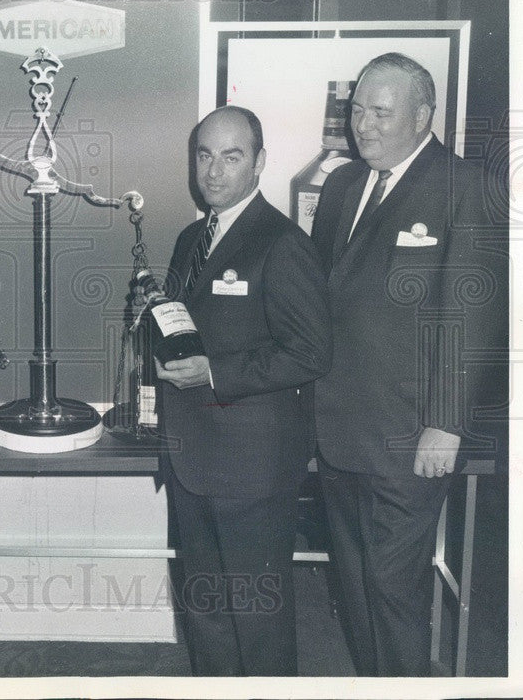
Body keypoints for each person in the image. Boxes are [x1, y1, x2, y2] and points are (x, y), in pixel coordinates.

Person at [310, 52, 505, 676]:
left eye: (381, 113)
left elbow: (472, 314)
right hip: (338, 430)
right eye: (358, 110)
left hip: (410, 436)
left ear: (424, 116)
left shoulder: (463, 186)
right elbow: (322, 299)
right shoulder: (341, 185)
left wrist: (446, 423)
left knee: (394, 591)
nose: (363, 125)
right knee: (354, 587)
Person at [156, 106, 331, 675]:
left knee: (257, 617)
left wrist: (214, 371)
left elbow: (310, 353)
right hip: (192, 459)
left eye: (231, 157)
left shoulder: (281, 242)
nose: (213, 170)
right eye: (204, 155)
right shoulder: (191, 239)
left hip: (253, 467)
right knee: (205, 608)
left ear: (258, 162)